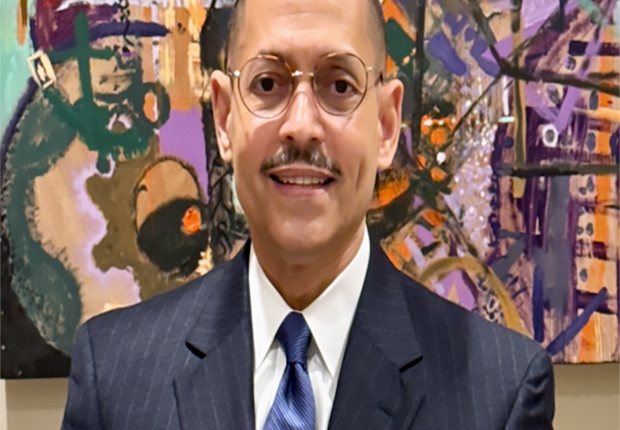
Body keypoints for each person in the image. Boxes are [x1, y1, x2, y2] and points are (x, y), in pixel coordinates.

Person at [61, 0, 555, 428]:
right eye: (268, 82)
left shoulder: (499, 393)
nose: (301, 126)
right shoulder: (116, 375)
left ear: (386, 125)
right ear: (225, 118)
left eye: (339, 85)